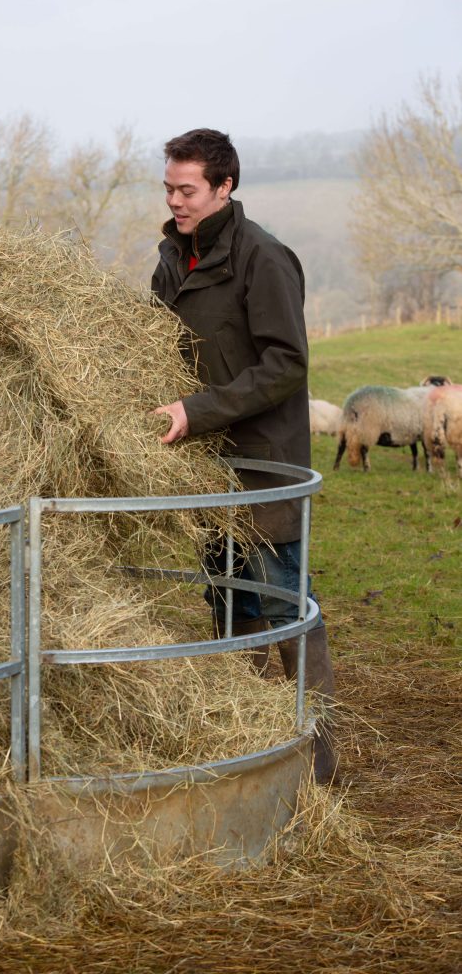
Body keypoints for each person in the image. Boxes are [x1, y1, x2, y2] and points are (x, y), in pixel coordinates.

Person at [151, 128, 338, 783]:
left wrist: (194, 411)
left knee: (284, 604)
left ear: (225, 187)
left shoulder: (262, 258)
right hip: (207, 467)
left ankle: (315, 765)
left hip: (262, 465)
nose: (175, 200)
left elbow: (286, 364)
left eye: (188, 189)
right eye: (169, 187)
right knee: (230, 605)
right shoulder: (173, 259)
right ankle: (251, 751)